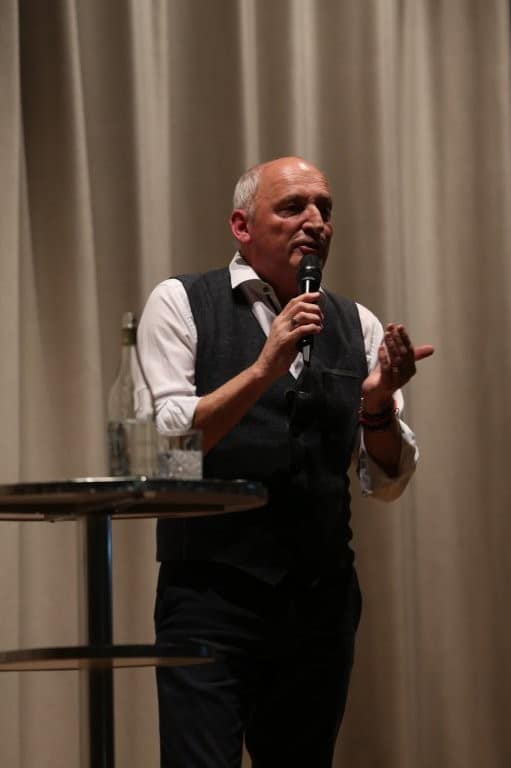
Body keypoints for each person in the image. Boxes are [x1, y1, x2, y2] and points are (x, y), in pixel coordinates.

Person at [137, 156, 434, 768]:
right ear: (241, 226)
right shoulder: (181, 302)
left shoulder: (357, 323)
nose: (315, 221)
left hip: (319, 599)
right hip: (210, 593)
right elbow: (164, 451)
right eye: (293, 207)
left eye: (325, 209)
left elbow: (384, 479)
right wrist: (263, 369)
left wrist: (377, 404)